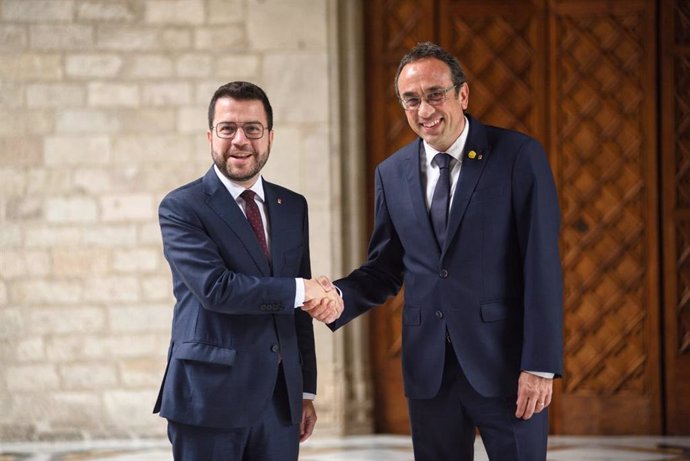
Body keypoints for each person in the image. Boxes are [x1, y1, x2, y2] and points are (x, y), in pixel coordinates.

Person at [305, 42, 563, 460]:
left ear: (462, 94)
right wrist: (340, 298)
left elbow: (542, 265)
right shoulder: (391, 173)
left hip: (507, 367)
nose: (424, 110)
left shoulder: (518, 156)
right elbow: (386, 267)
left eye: (434, 95)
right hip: (429, 372)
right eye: (411, 100)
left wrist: (539, 365)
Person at [153, 81, 342, 461]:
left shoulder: (293, 206)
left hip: (279, 402)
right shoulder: (181, 207)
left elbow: (297, 306)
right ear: (210, 136)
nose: (241, 140)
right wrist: (305, 291)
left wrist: (304, 391)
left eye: (253, 129)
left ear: (270, 137)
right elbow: (216, 289)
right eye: (228, 128)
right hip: (208, 398)